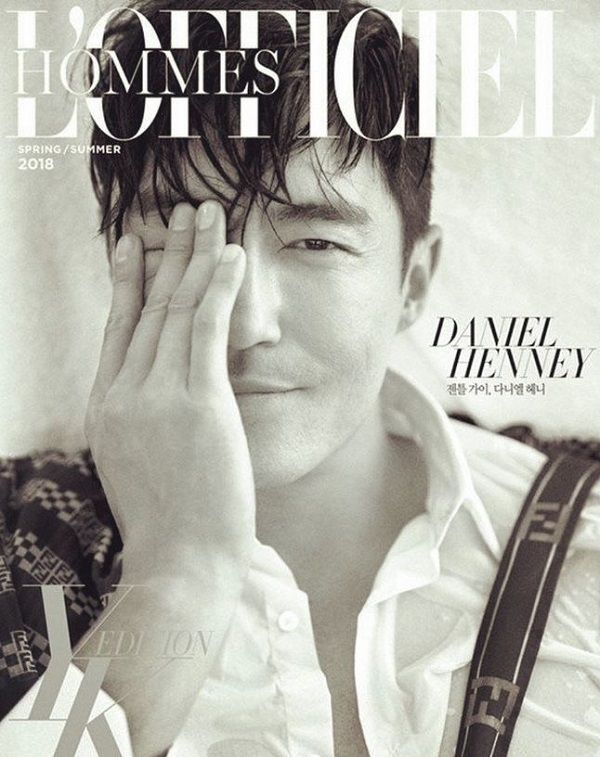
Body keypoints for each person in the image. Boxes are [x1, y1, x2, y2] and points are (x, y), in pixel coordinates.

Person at [1, 0, 599, 755]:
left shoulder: (583, 523)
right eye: (180, 244)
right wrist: (175, 577)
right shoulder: (18, 541)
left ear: (412, 281)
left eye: (317, 242)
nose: (245, 322)